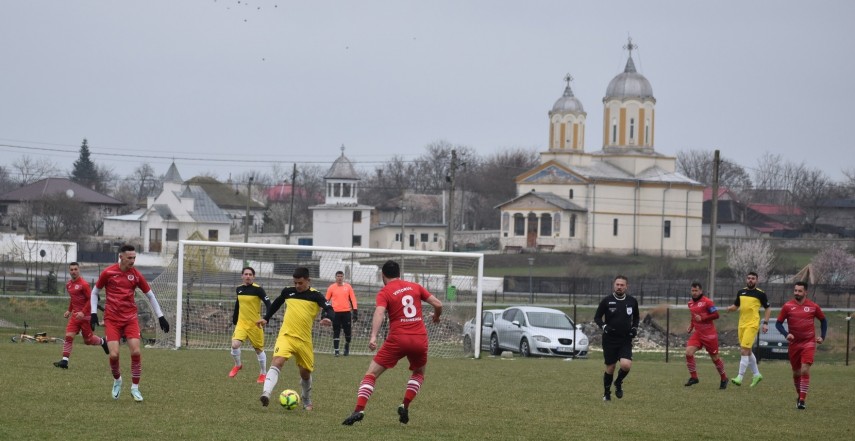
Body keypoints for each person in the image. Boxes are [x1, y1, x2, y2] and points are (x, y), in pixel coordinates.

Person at [342, 260, 443, 426]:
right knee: (418, 373)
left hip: (398, 338)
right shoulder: (415, 286)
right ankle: (405, 405)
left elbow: (379, 312)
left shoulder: (385, 292)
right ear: (399, 274)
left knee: (371, 374)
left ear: (383, 275)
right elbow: (438, 304)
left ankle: (359, 410)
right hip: (419, 337)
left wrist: (373, 336)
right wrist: (437, 316)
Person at [89, 245, 170, 402]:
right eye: (129, 258)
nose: (132, 261)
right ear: (121, 257)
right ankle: (118, 380)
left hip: (130, 319)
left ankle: (135, 388)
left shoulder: (136, 275)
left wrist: (160, 317)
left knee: (136, 352)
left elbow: (151, 296)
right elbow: (94, 292)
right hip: (112, 319)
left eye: (134, 258)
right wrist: (93, 313)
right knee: (114, 354)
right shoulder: (108, 273)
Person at [256, 267, 333, 409]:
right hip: (286, 336)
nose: (297, 286)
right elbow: (277, 303)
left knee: (305, 373)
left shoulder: (316, 295)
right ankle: (266, 393)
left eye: (300, 283)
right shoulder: (288, 292)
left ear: (308, 281)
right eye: (295, 283)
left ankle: (306, 399)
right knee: (277, 361)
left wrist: (328, 318)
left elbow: (329, 308)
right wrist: (266, 318)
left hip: (304, 341)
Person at [775, 282, 827, 410]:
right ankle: (799, 396)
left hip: (808, 342)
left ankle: (802, 400)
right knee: (796, 373)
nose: (796, 293)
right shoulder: (787, 306)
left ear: (805, 292)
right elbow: (778, 324)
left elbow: (823, 320)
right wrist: (786, 334)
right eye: (795, 290)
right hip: (794, 344)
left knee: (804, 370)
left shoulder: (813, 307)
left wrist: (822, 336)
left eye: (799, 291)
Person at [53, 262, 109, 369]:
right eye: (71, 269)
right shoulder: (68, 284)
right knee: (69, 336)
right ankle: (64, 361)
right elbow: (73, 299)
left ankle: (102, 341)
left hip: (86, 316)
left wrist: (83, 312)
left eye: (75, 269)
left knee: (88, 341)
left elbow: (91, 299)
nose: (73, 271)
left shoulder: (84, 284)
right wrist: (69, 311)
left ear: (79, 270)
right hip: (75, 316)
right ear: (69, 271)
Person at [594, 275, 639, 402]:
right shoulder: (607, 300)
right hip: (609, 339)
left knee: (626, 365)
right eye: (617, 284)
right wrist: (604, 326)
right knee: (611, 367)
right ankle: (606, 394)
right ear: (614, 285)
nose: (619, 287)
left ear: (626, 286)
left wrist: (634, 328)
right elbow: (597, 317)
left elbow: (636, 317)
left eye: (622, 285)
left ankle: (618, 382)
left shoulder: (632, 301)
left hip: (625, 339)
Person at [725, 271, 772, 387]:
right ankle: (757, 374)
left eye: (753, 278)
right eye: (749, 278)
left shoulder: (761, 294)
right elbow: (736, 306)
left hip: (752, 325)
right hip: (742, 325)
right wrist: (730, 308)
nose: (751, 280)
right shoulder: (741, 292)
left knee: (743, 350)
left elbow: (768, 308)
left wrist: (765, 323)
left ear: (756, 280)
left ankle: (740, 377)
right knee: (748, 351)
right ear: (746, 280)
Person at [229, 266, 272, 383]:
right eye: (246, 274)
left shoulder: (258, 290)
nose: (248, 276)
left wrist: (266, 318)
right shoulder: (239, 289)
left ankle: (263, 373)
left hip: (255, 325)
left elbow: (269, 304)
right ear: (242, 276)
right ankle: (238, 365)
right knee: (234, 344)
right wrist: (234, 319)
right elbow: (238, 304)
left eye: (250, 274)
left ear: (253, 277)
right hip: (242, 324)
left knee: (258, 350)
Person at [684, 282, 728, 389]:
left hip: (709, 334)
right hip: (698, 334)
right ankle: (694, 377)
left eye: (696, 291)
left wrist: (703, 318)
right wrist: (691, 326)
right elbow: (694, 317)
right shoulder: (690, 303)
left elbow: (716, 315)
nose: (694, 293)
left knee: (715, 358)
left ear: (701, 291)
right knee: (688, 353)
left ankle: (724, 378)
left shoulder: (707, 302)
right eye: (692, 290)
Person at [325, 270, 358, 356]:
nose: (339, 278)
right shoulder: (331, 287)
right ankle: (336, 351)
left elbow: (353, 299)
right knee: (336, 331)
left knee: (347, 332)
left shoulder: (348, 287)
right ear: (335, 277)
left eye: (341, 276)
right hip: (335, 313)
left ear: (343, 277)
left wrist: (355, 311)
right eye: (338, 276)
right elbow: (326, 301)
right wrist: (324, 312)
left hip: (346, 313)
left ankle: (347, 345)